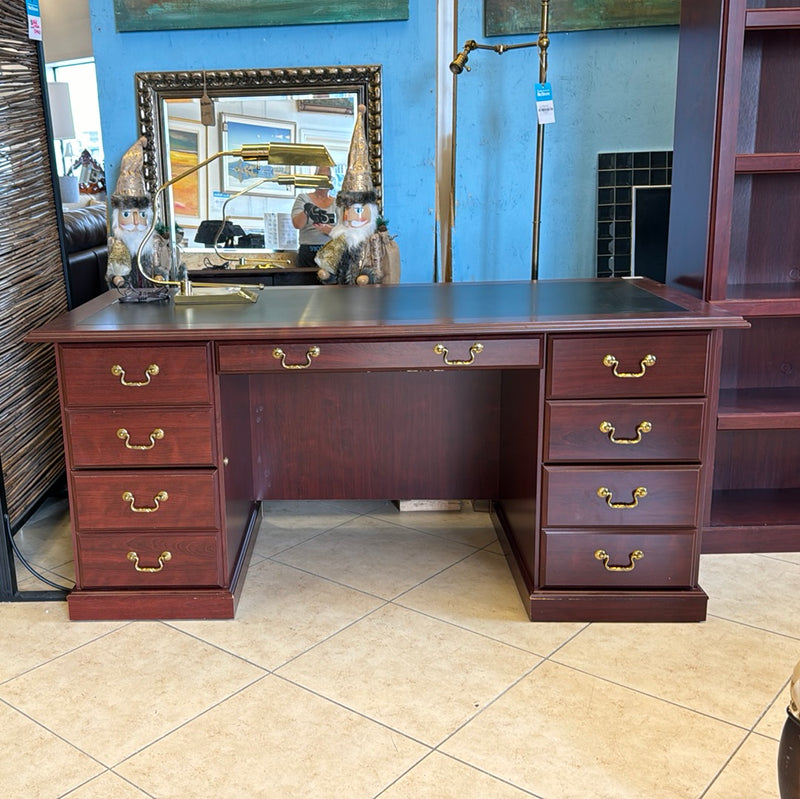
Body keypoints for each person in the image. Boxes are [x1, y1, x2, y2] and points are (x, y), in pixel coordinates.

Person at [315, 106, 400, 285]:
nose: (350, 216)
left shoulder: (373, 239)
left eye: (358, 210)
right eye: (346, 209)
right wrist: (328, 274)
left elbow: (377, 265)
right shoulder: (342, 238)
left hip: (368, 294)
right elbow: (334, 261)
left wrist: (367, 276)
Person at [291, 165, 336, 267]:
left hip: (331, 253)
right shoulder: (303, 198)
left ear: (331, 180)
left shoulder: (337, 203)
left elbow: (346, 231)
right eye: (320, 177)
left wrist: (330, 230)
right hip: (307, 253)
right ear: (314, 178)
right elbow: (297, 224)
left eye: (327, 178)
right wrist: (308, 211)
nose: (323, 181)